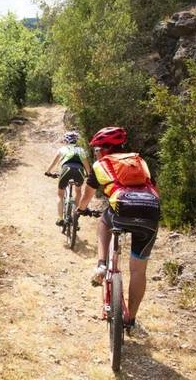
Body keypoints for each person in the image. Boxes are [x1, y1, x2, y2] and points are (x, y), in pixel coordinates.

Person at [76, 126, 160, 335]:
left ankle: (102, 265)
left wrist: (81, 209)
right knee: (138, 270)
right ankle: (130, 319)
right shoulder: (140, 162)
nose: (95, 153)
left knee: (105, 221)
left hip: (122, 210)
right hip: (151, 212)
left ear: (104, 149)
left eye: (96, 149)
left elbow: (87, 194)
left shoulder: (100, 165)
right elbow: (152, 187)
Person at [44, 131, 91, 227]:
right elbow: (87, 166)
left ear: (66, 140)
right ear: (76, 140)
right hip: (79, 171)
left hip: (66, 170)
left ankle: (60, 218)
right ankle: (75, 216)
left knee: (60, 195)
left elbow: (54, 162)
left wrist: (48, 172)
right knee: (78, 192)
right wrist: (88, 174)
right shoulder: (81, 150)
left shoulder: (62, 149)